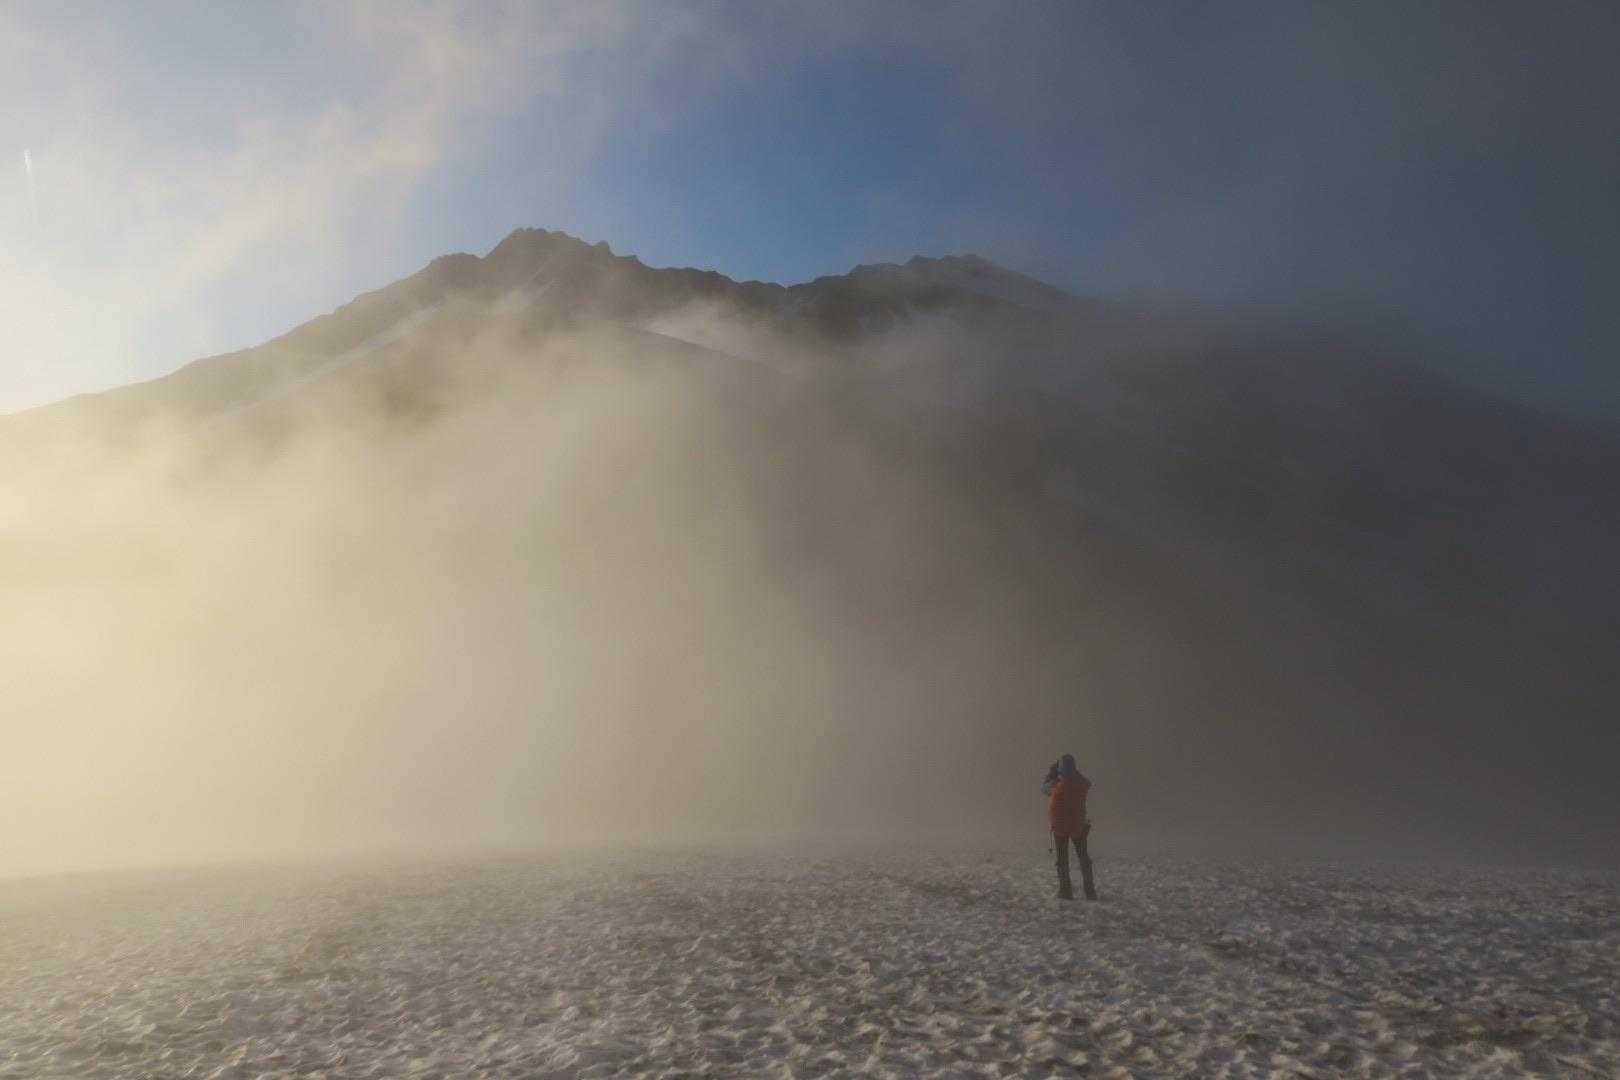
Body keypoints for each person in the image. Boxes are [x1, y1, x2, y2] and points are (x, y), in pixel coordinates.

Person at [1043, 753, 1096, 901]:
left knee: (1062, 859)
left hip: (1060, 827)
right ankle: (1090, 891)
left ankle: (1065, 891)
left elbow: (1044, 789)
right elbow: (1088, 783)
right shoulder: (1081, 784)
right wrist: (1076, 773)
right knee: (1083, 858)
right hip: (1078, 826)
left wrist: (1051, 775)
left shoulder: (1056, 785)